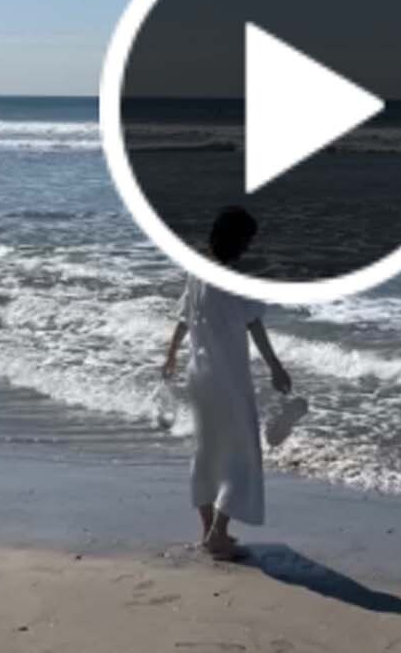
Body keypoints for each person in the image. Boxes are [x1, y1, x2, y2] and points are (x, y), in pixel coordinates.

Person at [160, 206, 292, 561]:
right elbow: (255, 326)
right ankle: (218, 535)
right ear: (237, 240)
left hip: (199, 376)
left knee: (207, 451)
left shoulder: (196, 273)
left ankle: (208, 531)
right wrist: (276, 367)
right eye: (247, 240)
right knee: (241, 454)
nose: (249, 246)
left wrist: (171, 355)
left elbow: (184, 319)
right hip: (228, 379)